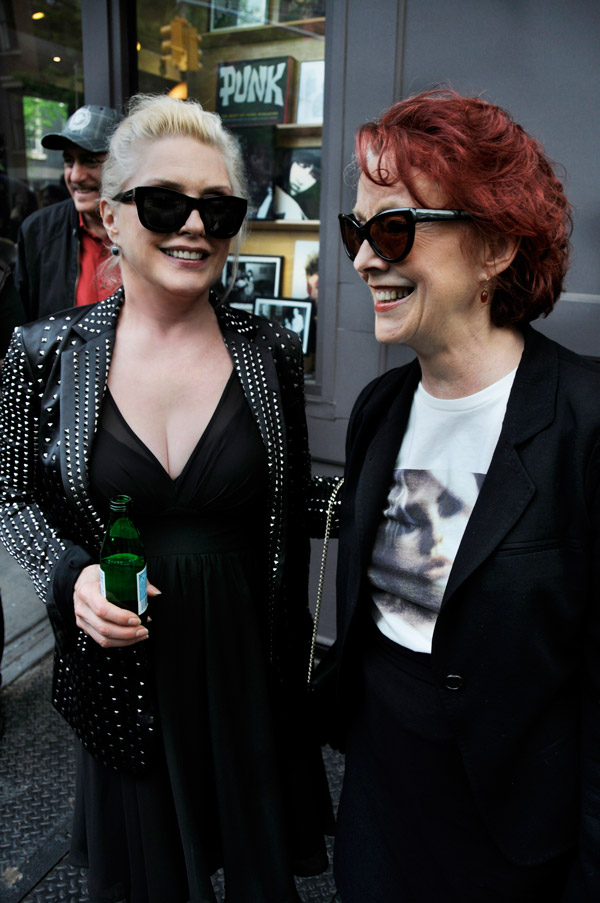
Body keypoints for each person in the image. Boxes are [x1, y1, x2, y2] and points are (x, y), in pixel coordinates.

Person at [0, 93, 332, 903]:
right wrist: (70, 573)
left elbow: (286, 498)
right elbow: (13, 496)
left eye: (217, 209)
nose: (193, 226)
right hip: (122, 667)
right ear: (110, 216)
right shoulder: (42, 354)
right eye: (164, 203)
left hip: (246, 657)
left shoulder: (270, 349)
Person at [323, 88, 600, 902]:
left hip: (514, 838)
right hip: (380, 806)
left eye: (394, 227)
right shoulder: (381, 409)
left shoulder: (584, 425)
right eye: (357, 229)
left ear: (494, 248)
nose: (365, 257)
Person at [14, 104, 123, 321]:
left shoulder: (149, 227)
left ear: (124, 165)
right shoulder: (38, 231)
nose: (75, 176)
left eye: (90, 161)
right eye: (68, 161)